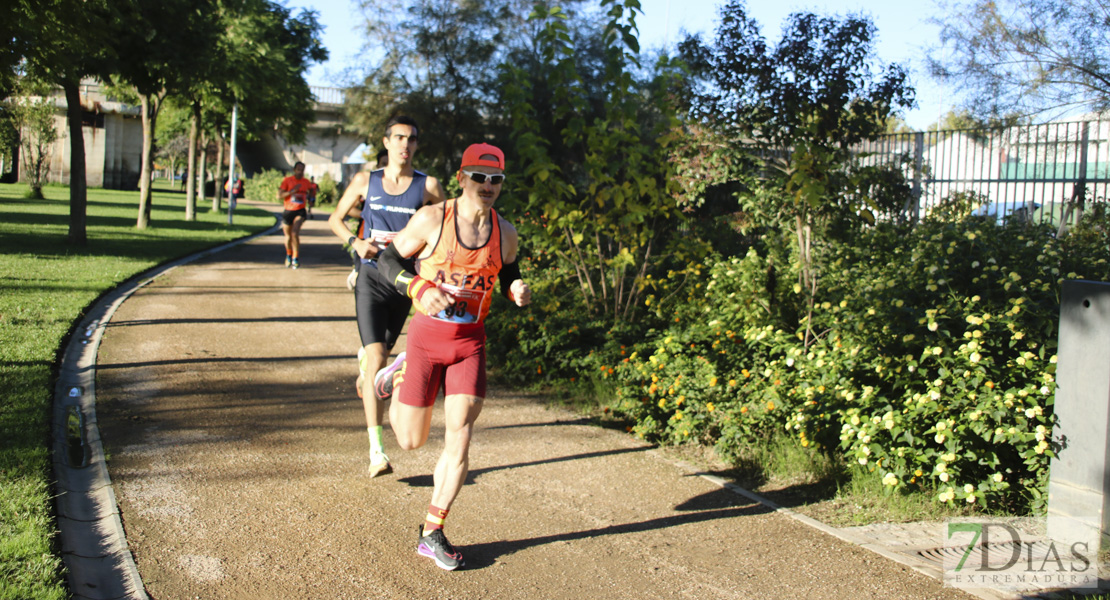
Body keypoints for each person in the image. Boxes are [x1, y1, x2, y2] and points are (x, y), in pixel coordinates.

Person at [374, 142, 532, 571]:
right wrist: (419, 288)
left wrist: (514, 287)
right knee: (410, 441)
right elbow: (387, 261)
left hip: (470, 344)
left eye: (495, 179)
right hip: (426, 340)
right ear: (462, 178)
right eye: (479, 177)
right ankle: (402, 372)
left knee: (461, 430)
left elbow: (508, 269)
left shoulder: (507, 231)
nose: (487, 186)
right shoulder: (432, 219)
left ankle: (432, 530)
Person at [328, 116, 445, 477]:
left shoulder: (429, 186)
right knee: (379, 353)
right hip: (370, 278)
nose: (404, 145)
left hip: (405, 284)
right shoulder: (367, 181)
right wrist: (355, 241)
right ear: (386, 142)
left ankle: (369, 368)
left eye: (410, 139)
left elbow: (447, 225)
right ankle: (376, 452)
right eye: (398, 138)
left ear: (416, 145)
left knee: (379, 362)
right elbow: (336, 218)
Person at [278, 161, 312, 269]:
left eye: (302, 170)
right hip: (288, 210)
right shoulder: (287, 180)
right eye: (298, 169)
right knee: (288, 236)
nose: (300, 172)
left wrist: (311, 199)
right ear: (294, 170)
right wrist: (292, 192)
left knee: (294, 233)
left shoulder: (306, 182)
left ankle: (295, 258)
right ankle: (289, 255)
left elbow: (310, 192)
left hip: (300, 210)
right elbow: (279, 196)